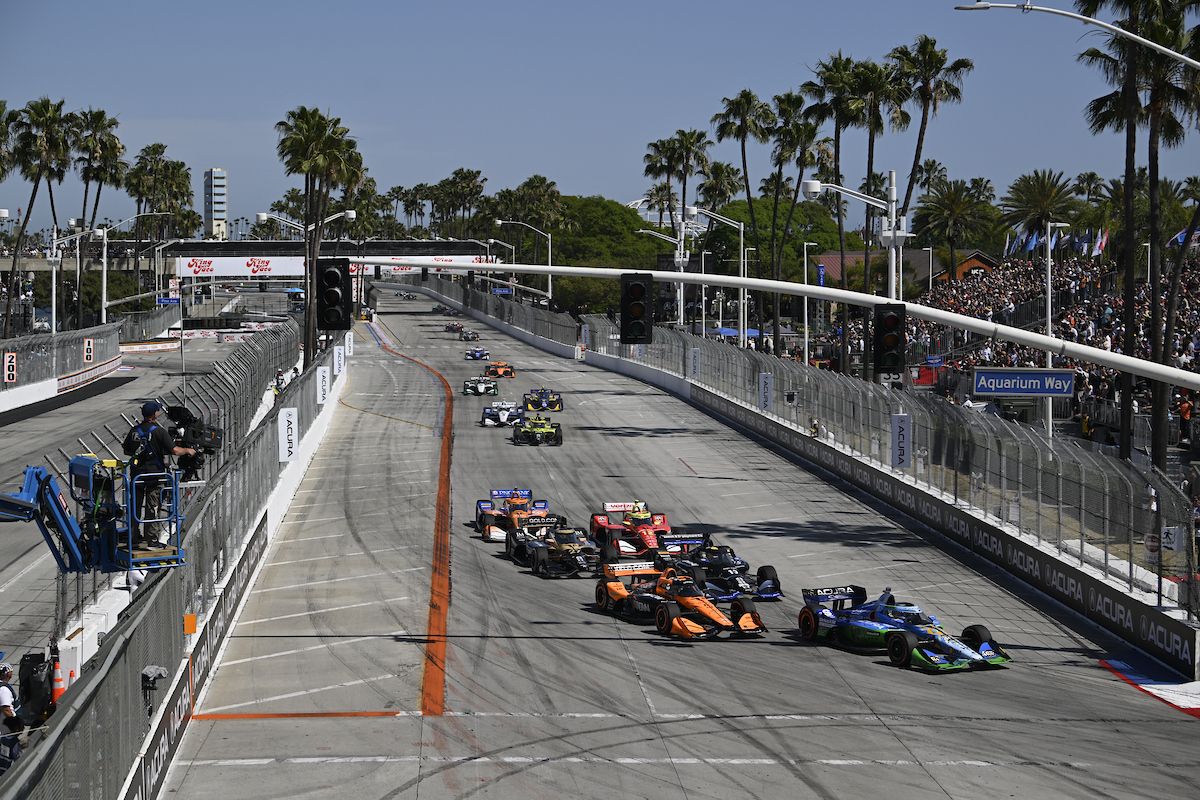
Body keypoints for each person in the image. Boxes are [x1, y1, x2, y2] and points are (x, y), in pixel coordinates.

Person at [122, 402, 196, 547]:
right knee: (152, 508)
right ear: (154, 414)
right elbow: (175, 450)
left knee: (134, 507)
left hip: (137, 475)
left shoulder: (134, 431)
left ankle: (133, 536)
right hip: (154, 476)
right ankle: (152, 539)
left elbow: (127, 450)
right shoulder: (159, 432)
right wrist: (188, 450)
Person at [0, 663, 22, 776]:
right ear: (8, 673)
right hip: (6, 732)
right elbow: (6, 709)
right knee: (10, 757)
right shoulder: (4, 689)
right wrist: (16, 725)